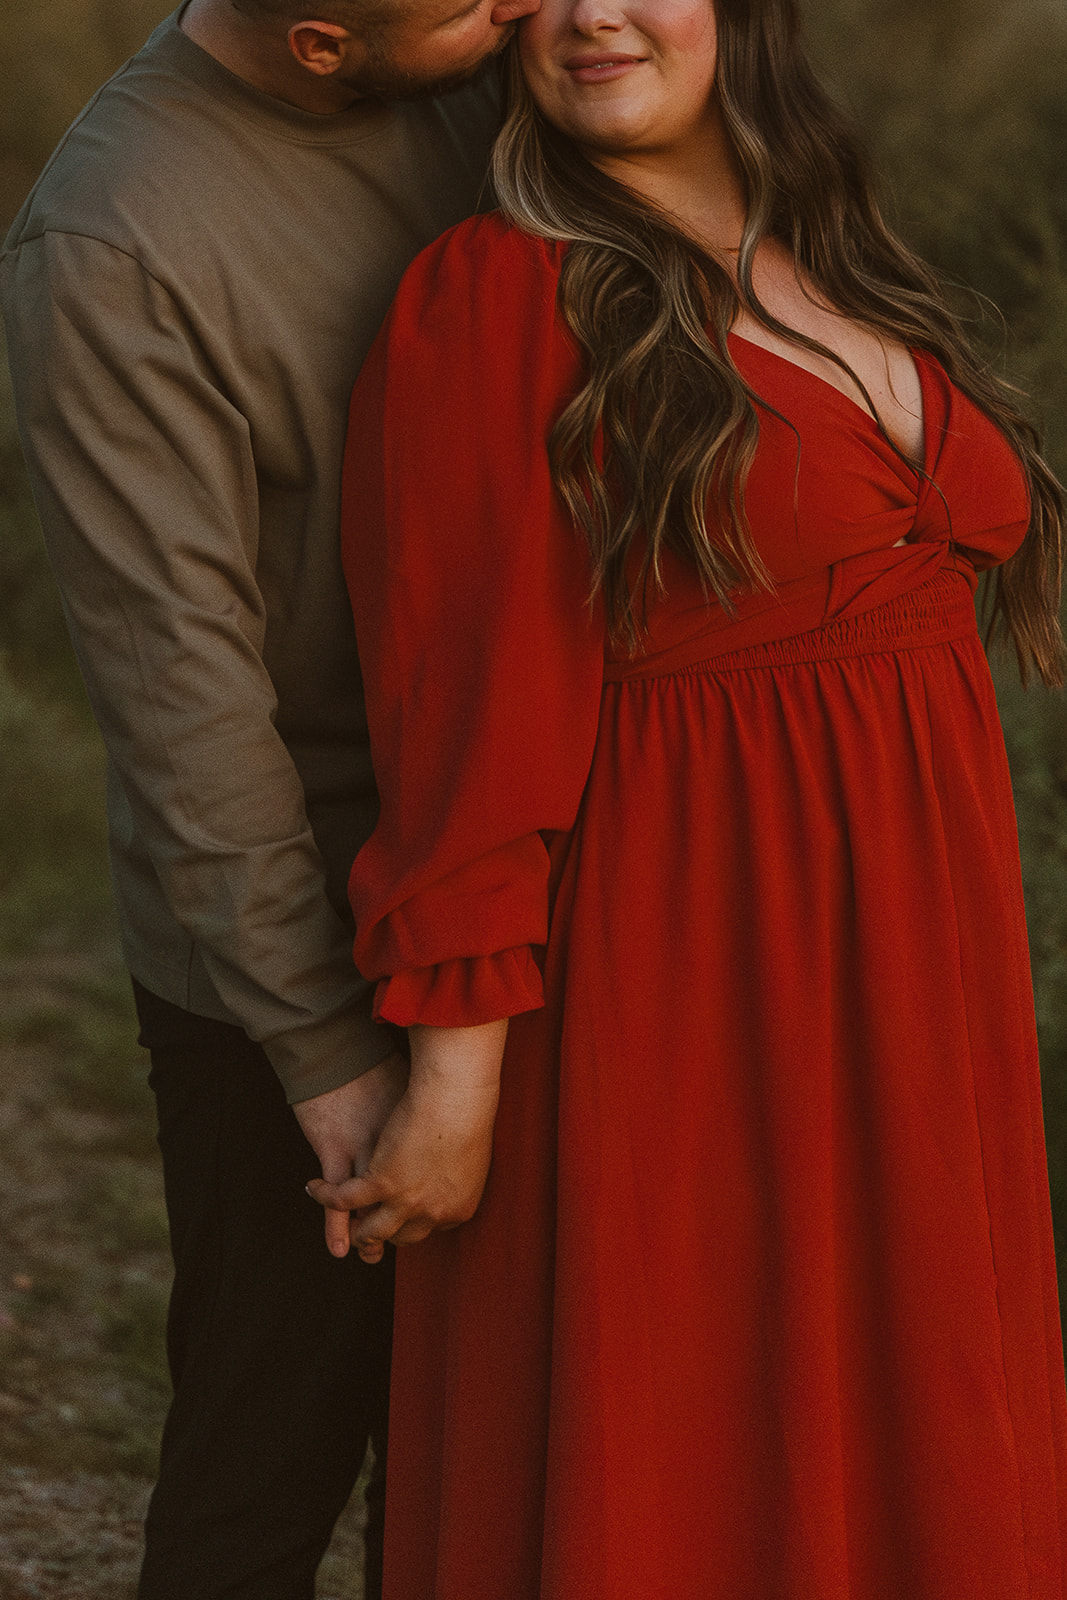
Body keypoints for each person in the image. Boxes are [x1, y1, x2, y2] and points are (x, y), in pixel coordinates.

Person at [311, 0, 1067, 1593]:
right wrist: (456, 1075)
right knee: (691, 1441)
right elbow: (465, 705)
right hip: (689, 974)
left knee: (907, 1408)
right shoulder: (501, 296)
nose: (593, 11)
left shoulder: (841, 256)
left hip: (914, 980)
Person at [0, 0, 542, 1594]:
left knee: (518, 1460)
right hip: (301, 941)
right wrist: (324, 1052)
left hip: (527, 883)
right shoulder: (117, 243)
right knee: (269, 1453)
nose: (516, 6)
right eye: (471, 9)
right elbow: (184, 704)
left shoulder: (486, 79)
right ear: (321, 45)